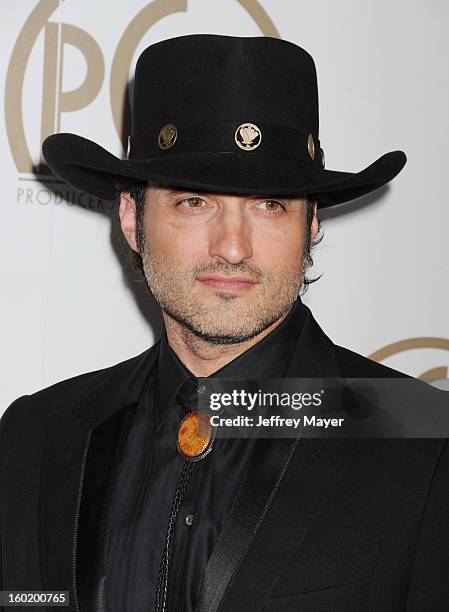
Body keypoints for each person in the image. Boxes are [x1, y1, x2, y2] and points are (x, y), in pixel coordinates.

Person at [1, 34, 448, 612]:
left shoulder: (427, 441)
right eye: (194, 201)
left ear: (312, 224)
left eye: (270, 205)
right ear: (133, 219)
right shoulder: (36, 435)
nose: (233, 248)